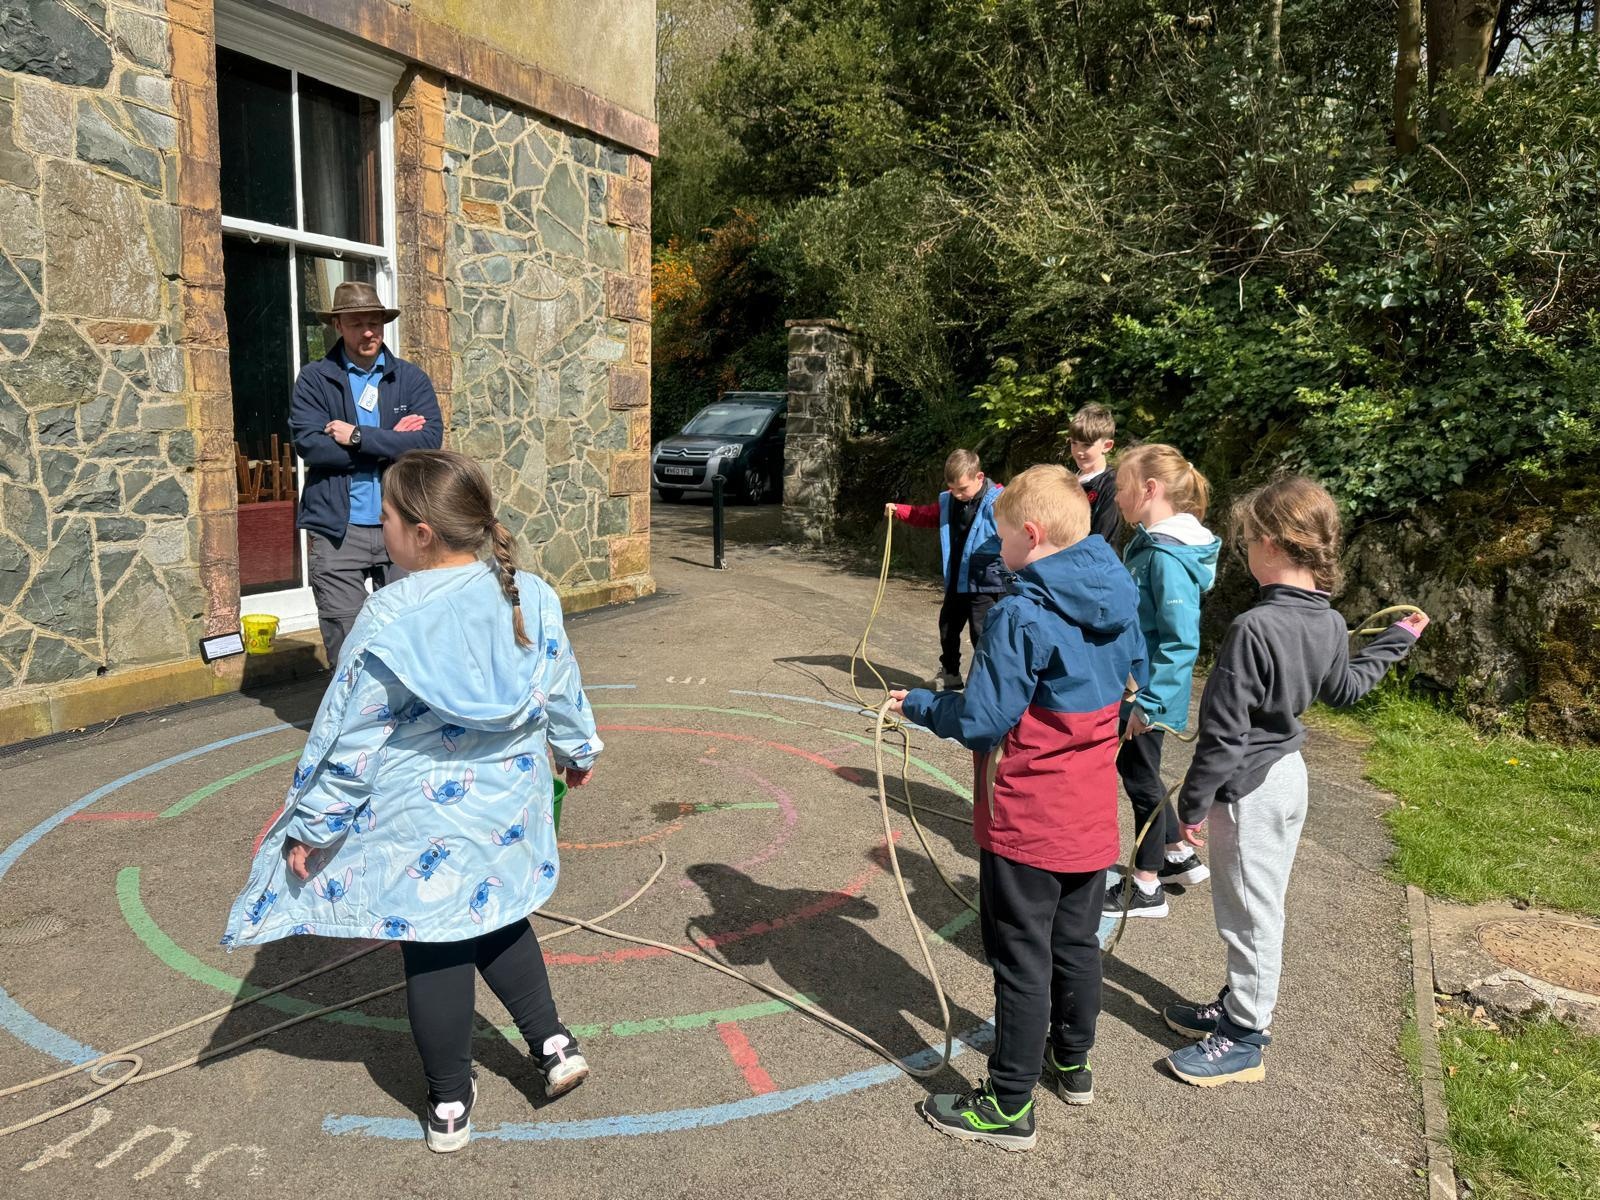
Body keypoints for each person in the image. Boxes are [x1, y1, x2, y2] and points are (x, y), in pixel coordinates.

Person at [222, 449, 602, 1153]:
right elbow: (562, 687)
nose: (381, 528)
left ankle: (450, 1103)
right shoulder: (531, 594)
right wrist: (578, 752)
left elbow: (354, 735)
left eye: (387, 516)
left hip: (423, 818)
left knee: (434, 946)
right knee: (498, 915)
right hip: (507, 807)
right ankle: (553, 1044)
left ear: (421, 533)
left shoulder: (390, 613)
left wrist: (316, 824)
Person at [887, 464, 1147, 1150]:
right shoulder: (1121, 595)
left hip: (1028, 821)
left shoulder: (1019, 614)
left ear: (1031, 535)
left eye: (1001, 538)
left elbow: (982, 720)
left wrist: (920, 705)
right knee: (1076, 946)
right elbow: (1136, 683)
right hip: (1090, 817)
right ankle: (1073, 1062)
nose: (996, 550)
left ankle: (1007, 1104)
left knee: (1021, 961)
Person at [1163, 476, 1428, 1086]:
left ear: (1273, 544)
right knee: (1258, 903)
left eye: (1246, 540)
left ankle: (1245, 1036)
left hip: (1248, 789)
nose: (1244, 551)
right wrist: (1396, 642)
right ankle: (1238, 1002)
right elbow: (1346, 689)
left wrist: (1192, 806)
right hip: (1287, 777)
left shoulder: (1253, 627)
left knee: (1249, 914)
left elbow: (1223, 735)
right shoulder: (1328, 621)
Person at [290, 280, 444, 666]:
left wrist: (358, 436)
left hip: (404, 522)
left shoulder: (409, 379)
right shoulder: (314, 379)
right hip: (338, 530)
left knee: (409, 631)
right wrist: (392, 442)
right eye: (357, 323)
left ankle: (407, 704)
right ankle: (353, 705)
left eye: (374, 322)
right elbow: (310, 445)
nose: (368, 332)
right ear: (338, 326)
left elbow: (428, 442)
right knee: (347, 640)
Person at [1101, 444, 1221, 921]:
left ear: (1150, 489)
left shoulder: (1167, 556)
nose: (1116, 497)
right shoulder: (1150, 544)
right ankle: (1177, 855)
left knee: (1140, 780)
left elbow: (1180, 640)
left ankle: (1147, 886)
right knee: (1142, 773)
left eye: (1122, 487)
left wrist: (1148, 703)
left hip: (1146, 694)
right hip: (1138, 686)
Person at [884, 449, 1008, 690]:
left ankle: (985, 684)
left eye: (962, 489)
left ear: (979, 477)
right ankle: (950, 673)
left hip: (987, 582)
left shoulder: (1001, 501)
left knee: (982, 634)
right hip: (959, 577)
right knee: (948, 628)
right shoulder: (949, 500)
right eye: (952, 489)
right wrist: (899, 510)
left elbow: (1019, 533)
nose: (957, 495)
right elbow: (926, 515)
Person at [1066, 403, 1121, 545]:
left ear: (1107, 446)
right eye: (1074, 443)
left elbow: (1103, 538)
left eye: (1086, 445)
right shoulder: (1070, 479)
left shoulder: (1111, 485)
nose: (1079, 451)